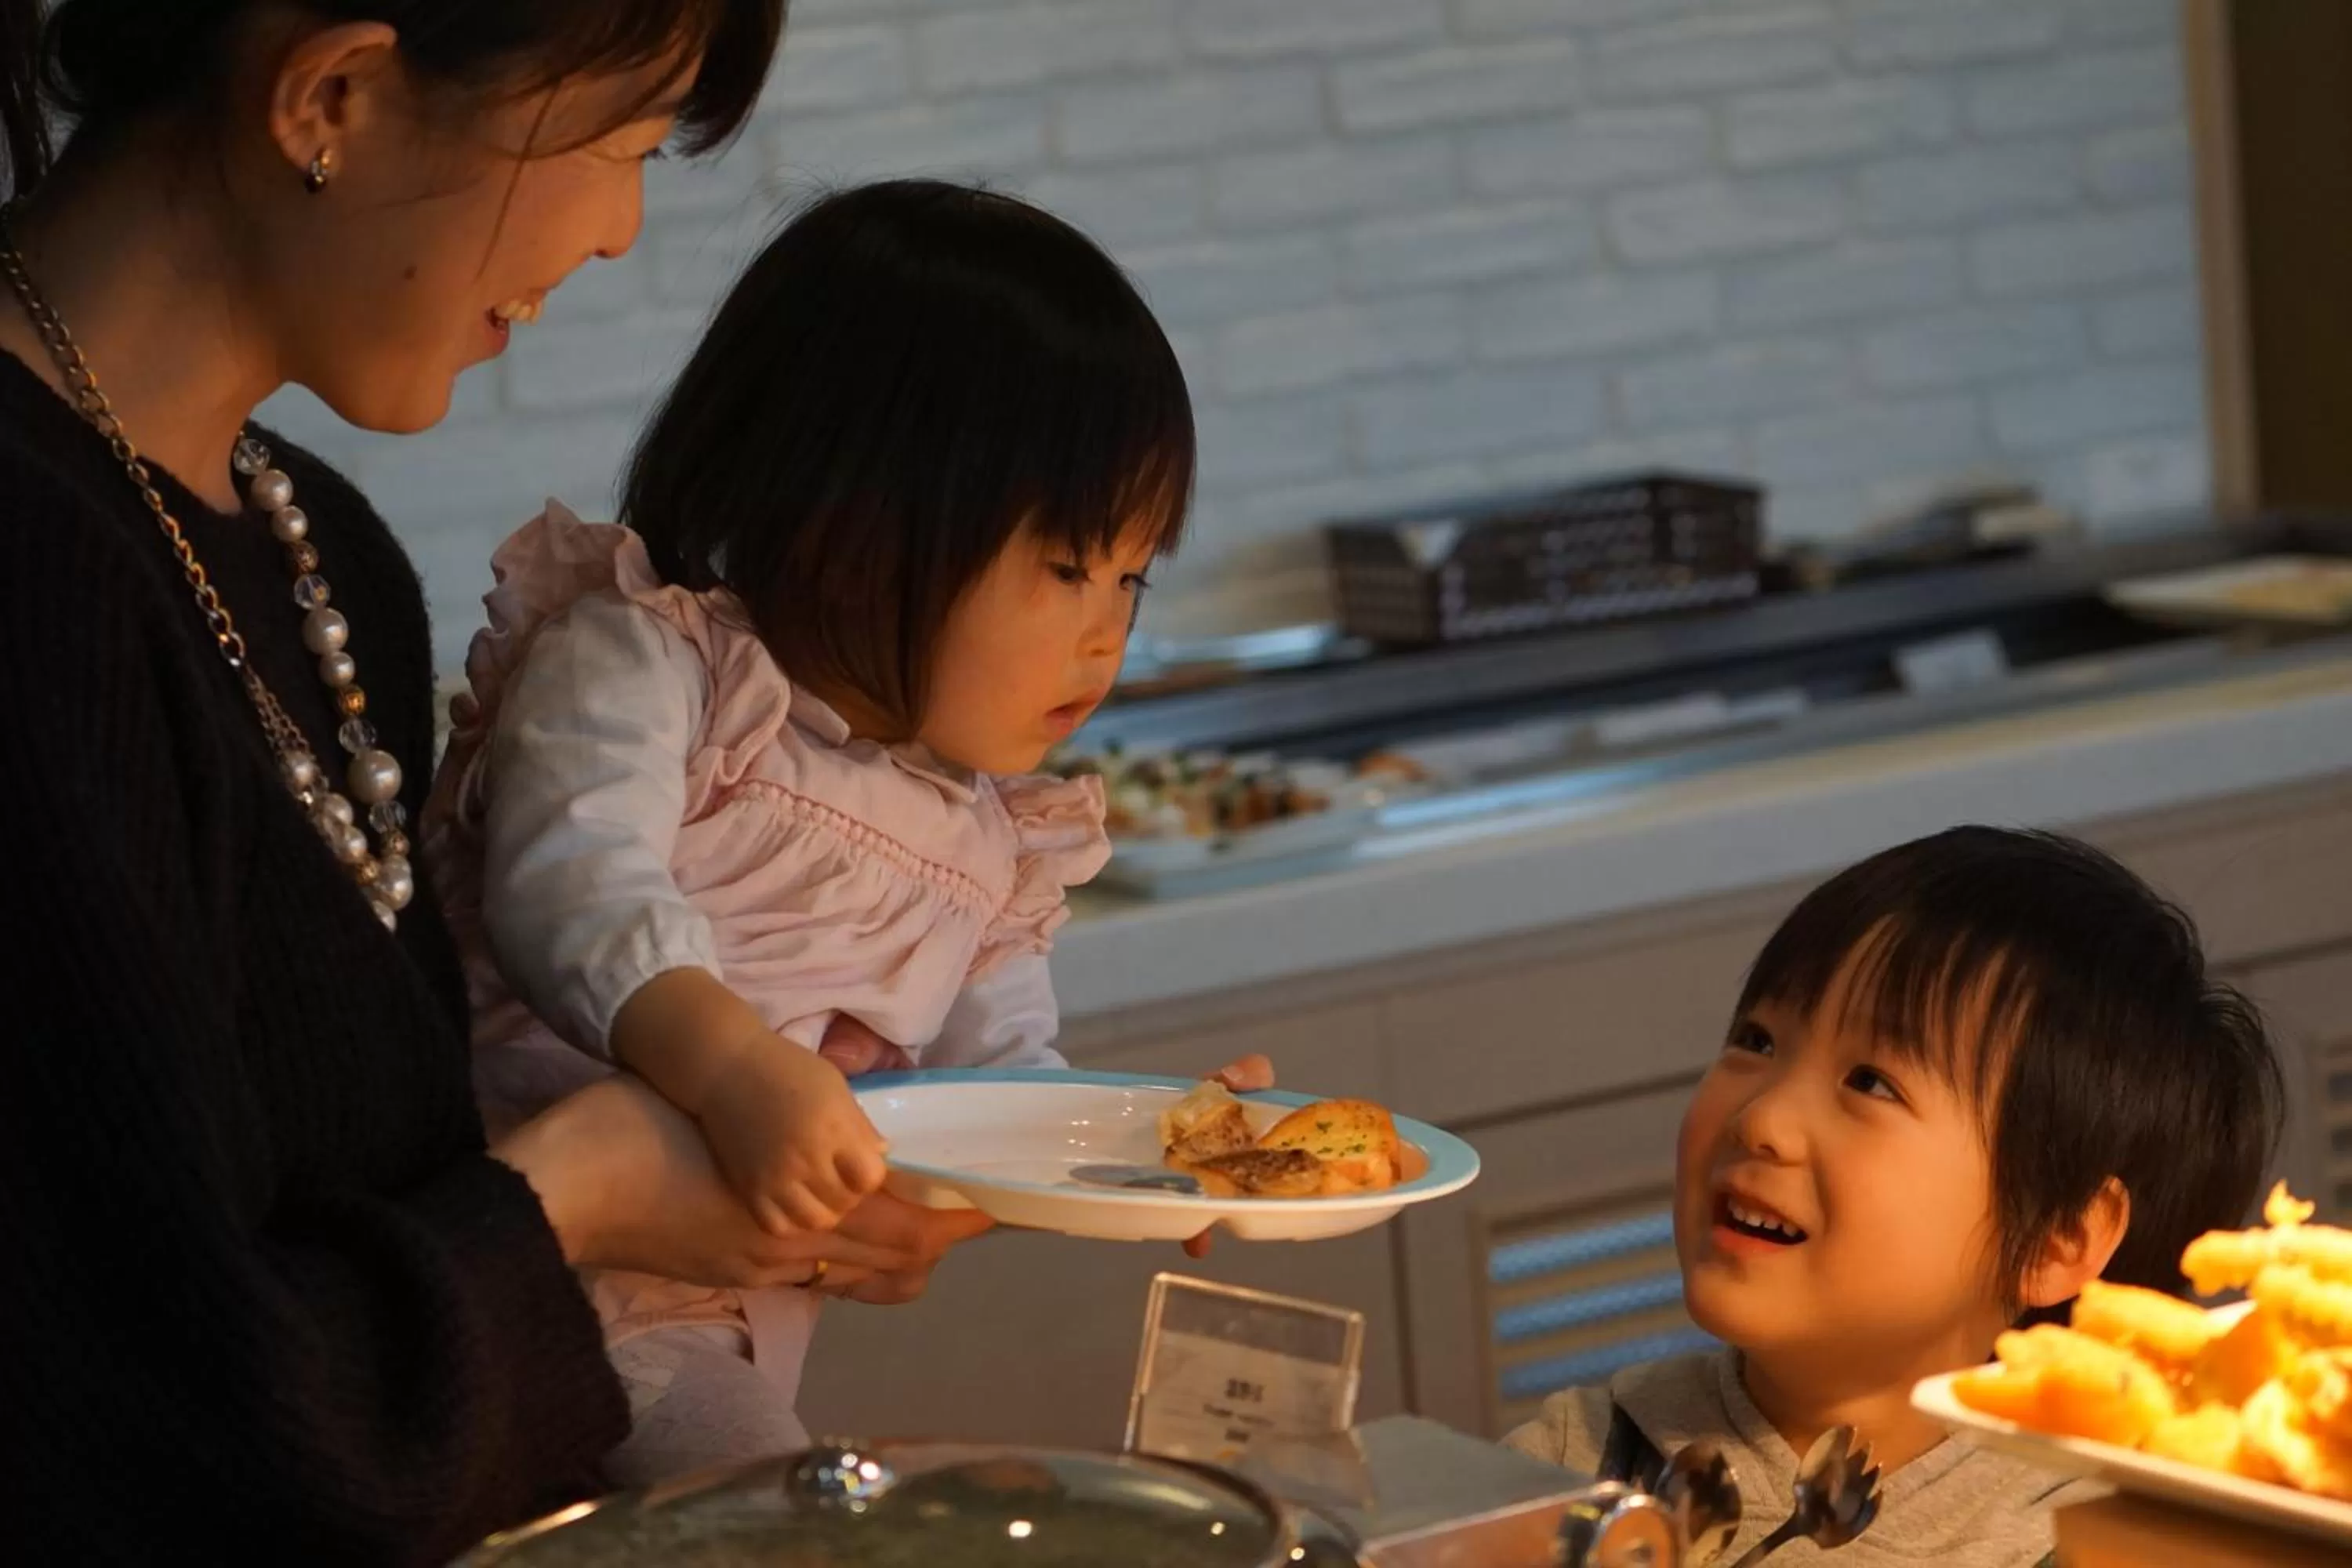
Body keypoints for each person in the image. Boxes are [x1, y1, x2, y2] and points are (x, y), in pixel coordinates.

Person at [0, 5, 996, 1562]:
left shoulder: (322, 553)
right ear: (334, 93)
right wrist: (580, 1192)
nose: (620, 226)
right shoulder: (34, 570)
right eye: (615, 138)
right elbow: (167, 1415)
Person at [426, 177, 1258, 1482]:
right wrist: (731, 1066)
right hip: (528, 1294)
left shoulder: (986, 841)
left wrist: (1156, 1149)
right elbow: (573, 887)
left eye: (1133, 575)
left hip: (733, 1326)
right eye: (1066, 566)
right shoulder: (658, 670)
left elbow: (1007, 1084)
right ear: (855, 519)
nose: (1108, 628)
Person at [1504, 827, 2283, 1568]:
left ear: (2056, 1238)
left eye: (1870, 1081)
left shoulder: (2123, 1529)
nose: (1763, 1118)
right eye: (1757, 1040)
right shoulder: (1576, 1465)